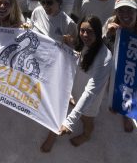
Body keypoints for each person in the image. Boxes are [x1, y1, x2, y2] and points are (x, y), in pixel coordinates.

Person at [40, 15, 112, 152]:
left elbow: (91, 92)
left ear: (98, 32)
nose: (85, 35)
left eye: (90, 31)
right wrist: (69, 44)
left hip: (91, 98)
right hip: (73, 88)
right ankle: (52, 134)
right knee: (60, 110)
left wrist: (70, 122)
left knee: (87, 119)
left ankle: (86, 135)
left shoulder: (105, 58)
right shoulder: (81, 43)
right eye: (82, 30)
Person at [103, 0, 137, 132]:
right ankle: (114, 102)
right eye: (121, 10)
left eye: (130, 10)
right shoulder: (110, 22)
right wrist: (108, 35)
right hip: (113, 64)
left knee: (130, 92)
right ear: (116, 12)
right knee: (111, 89)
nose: (125, 14)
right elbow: (102, 47)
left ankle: (126, 115)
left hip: (133, 67)